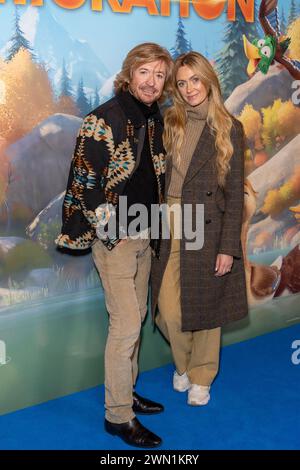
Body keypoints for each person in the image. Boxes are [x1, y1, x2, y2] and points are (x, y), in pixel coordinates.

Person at [56, 43, 173, 447]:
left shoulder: (152, 117)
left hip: (144, 233)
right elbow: (85, 181)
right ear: (129, 73)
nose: (152, 82)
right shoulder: (102, 119)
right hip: (117, 240)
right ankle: (117, 416)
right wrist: (109, 229)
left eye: (159, 75)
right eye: (145, 72)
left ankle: (127, 390)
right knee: (125, 325)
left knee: (136, 317)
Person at [151, 51, 248, 406]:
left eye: (195, 79)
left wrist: (228, 247)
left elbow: (235, 194)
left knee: (207, 304)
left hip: (207, 222)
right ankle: (185, 364)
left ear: (208, 79)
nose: (190, 89)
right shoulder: (168, 121)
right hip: (167, 220)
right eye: (181, 82)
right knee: (167, 310)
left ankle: (202, 374)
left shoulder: (229, 127)